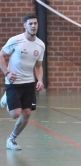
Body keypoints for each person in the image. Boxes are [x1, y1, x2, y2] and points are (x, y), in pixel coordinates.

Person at [0, 13, 45, 150]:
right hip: (13, 82)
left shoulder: (40, 45)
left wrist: (40, 80)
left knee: (26, 113)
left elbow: (38, 66)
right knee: (15, 114)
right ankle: (7, 97)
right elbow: (1, 54)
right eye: (30, 23)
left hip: (29, 83)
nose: (33, 26)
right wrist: (7, 73)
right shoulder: (15, 40)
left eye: (35, 23)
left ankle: (12, 139)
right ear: (25, 25)